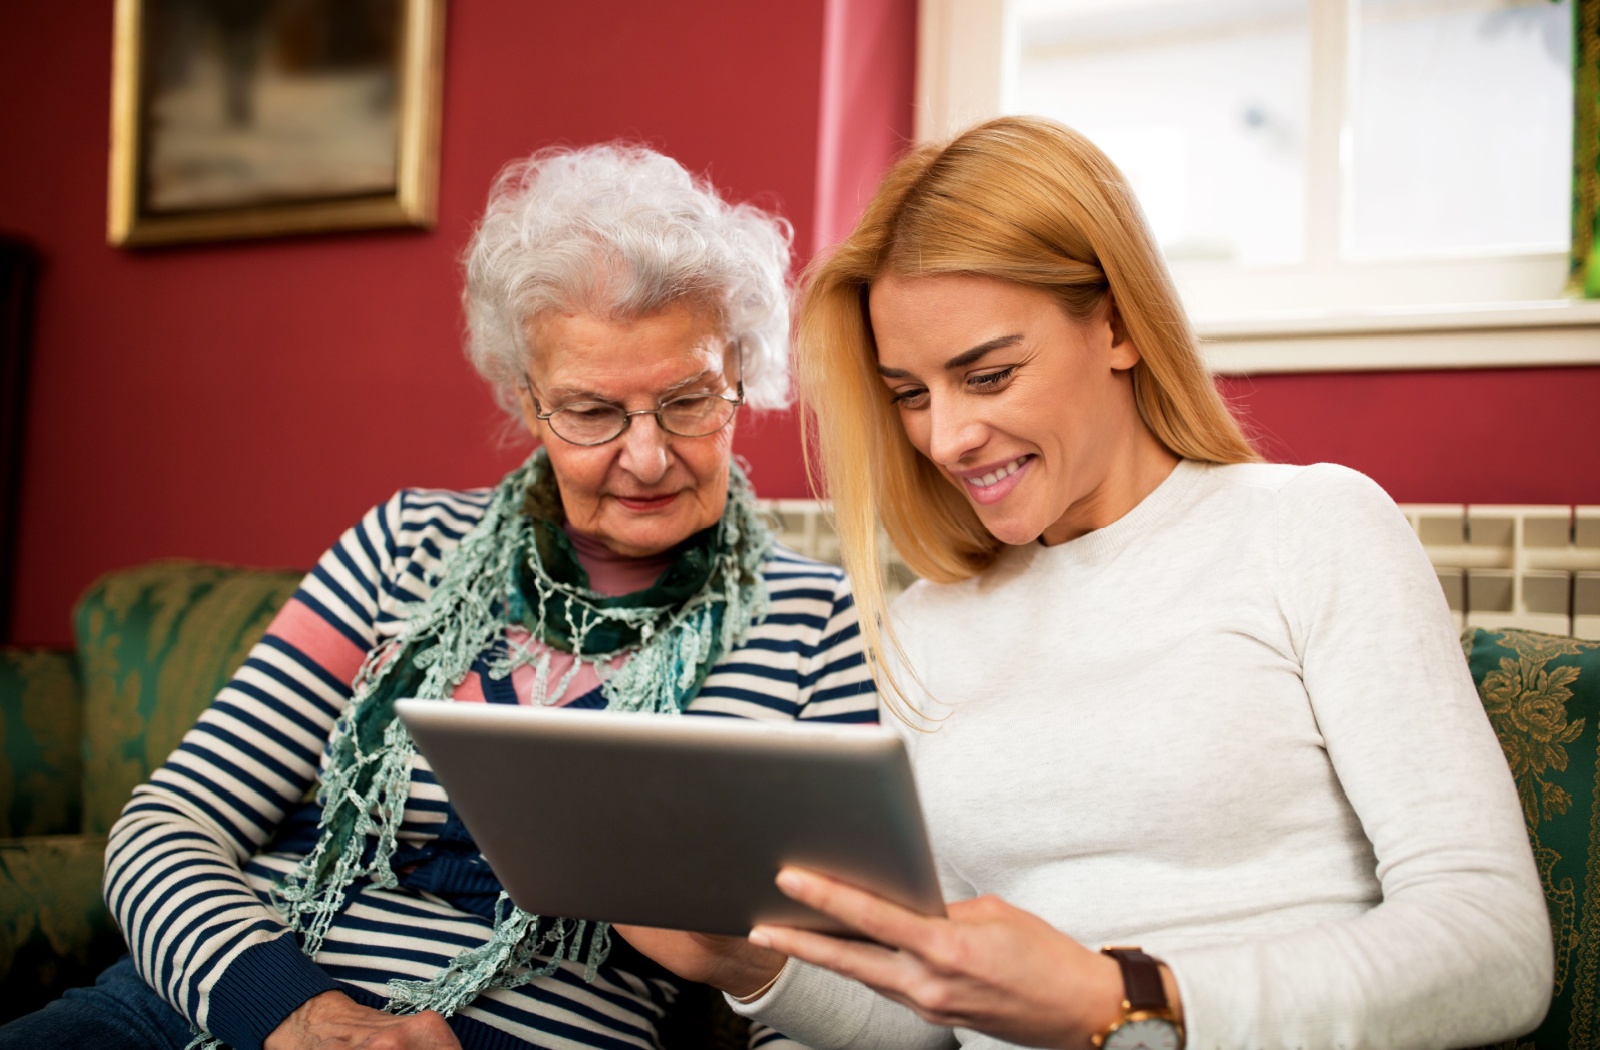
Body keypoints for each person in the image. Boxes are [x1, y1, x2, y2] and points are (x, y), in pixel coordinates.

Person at [627, 117, 1554, 1049]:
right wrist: (753, 965)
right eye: (911, 394)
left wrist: (1123, 998)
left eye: (988, 375)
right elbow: (935, 1026)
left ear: (1115, 326)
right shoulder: (924, 627)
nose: (945, 438)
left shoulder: (1312, 529)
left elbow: (1496, 949)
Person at [0, 144, 875, 1050]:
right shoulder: (403, 543)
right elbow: (165, 827)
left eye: (689, 401)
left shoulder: (818, 624)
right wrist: (295, 1016)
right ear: (527, 401)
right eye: (589, 411)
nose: (647, 457)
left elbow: (837, 993)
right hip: (206, 1010)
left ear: (743, 375)